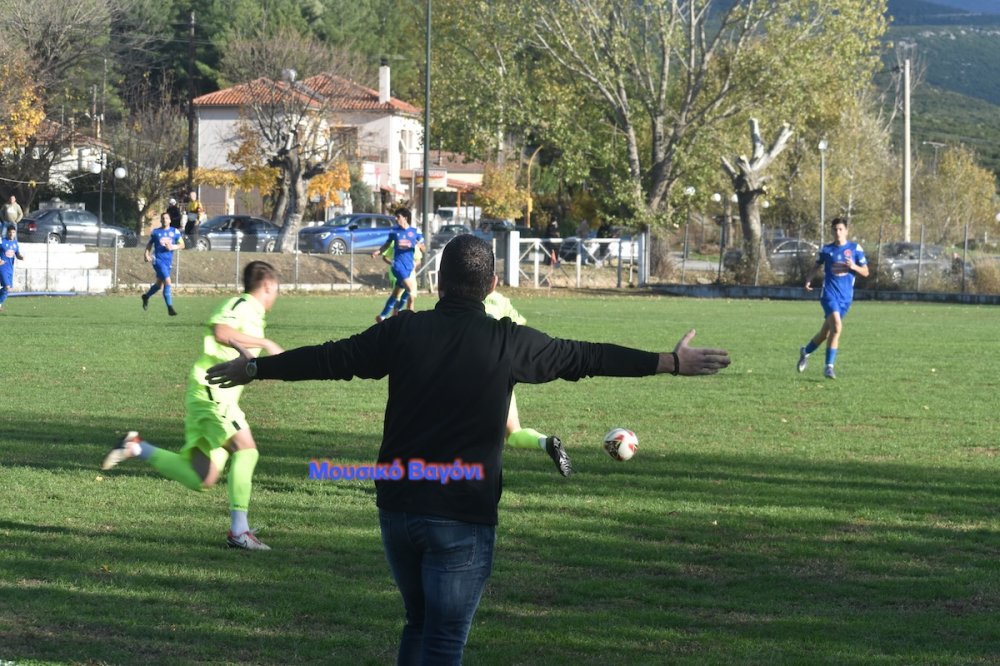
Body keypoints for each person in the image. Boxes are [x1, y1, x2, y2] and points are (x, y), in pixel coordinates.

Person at [204, 234, 731, 663]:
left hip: (399, 510)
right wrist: (669, 361)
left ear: (437, 281)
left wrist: (254, 366)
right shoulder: (508, 340)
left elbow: (328, 359)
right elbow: (585, 356)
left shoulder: (404, 331)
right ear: (492, 285)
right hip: (461, 516)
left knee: (419, 625)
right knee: (443, 642)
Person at [102, 261, 284, 551]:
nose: (277, 296)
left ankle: (136, 447)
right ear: (269, 286)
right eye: (277, 290)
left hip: (213, 395)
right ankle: (240, 532)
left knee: (203, 477)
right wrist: (265, 342)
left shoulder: (255, 313)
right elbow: (220, 331)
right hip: (211, 391)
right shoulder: (244, 304)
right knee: (247, 449)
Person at [483, 289, 570, 476]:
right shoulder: (500, 300)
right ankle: (545, 441)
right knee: (514, 433)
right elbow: (519, 328)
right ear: (492, 281)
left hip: (466, 374)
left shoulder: (457, 297)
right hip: (499, 374)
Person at [797, 217, 869, 379]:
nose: (837, 232)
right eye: (835, 229)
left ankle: (806, 351)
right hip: (829, 294)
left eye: (840, 229)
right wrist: (809, 279)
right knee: (837, 327)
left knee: (825, 333)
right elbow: (817, 265)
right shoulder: (827, 250)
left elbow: (865, 272)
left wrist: (854, 267)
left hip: (846, 298)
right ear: (832, 231)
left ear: (846, 231)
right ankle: (829, 367)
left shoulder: (855, 248)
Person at [372, 207, 425, 322]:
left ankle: (388, 315)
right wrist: (378, 251)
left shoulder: (415, 232)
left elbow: (424, 249)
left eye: (398, 217)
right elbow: (386, 245)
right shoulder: (394, 231)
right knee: (411, 292)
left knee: (398, 293)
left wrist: (421, 246)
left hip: (409, 268)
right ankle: (408, 319)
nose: (396, 219)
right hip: (398, 266)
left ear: (405, 218)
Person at [141, 212, 184, 316]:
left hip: (167, 262)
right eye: (163, 218)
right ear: (161, 220)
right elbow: (150, 244)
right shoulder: (156, 232)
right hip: (157, 260)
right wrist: (146, 254)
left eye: (166, 218)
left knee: (159, 285)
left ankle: (146, 296)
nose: (165, 220)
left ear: (170, 220)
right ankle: (170, 308)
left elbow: (182, 245)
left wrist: (173, 247)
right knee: (168, 282)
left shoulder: (175, 232)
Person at [380, 240, 423, 315]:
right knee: (397, 298)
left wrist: (414, 264)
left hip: (410, 274)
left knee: (411, 298)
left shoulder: (412, 242)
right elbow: (385, 257)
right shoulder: (394, 242)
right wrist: (394, 264)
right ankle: (393, 318)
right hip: (398, 274)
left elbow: (418, 259)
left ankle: (410, 320)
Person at [0, 225, 25, 312]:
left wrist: (21, 257)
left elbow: (17, 254)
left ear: (15, 233)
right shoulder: (2, 241)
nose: (11, 234)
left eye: (13, 232)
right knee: (6, 287)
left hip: (10, 269)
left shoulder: (15, 243)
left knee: (8, 289)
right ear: (7, 232)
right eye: (10, 232)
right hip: (2, 268)